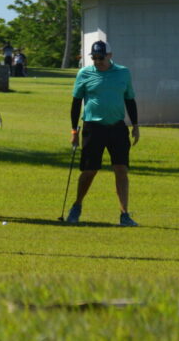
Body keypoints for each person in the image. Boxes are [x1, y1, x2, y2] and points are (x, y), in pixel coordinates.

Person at [66, 39, 140, 226]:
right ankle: (77, 206)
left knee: (121, 169)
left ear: (110, 55)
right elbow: (76, 103)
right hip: (93, 127)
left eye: (101, 57)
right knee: (89, 171)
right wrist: (74, 130)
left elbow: (130, 99)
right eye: (94, 58)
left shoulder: (123, 72)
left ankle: (124, 214)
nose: (98, 61)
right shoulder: (84, 73)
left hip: (117, 127)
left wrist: (135, 125)